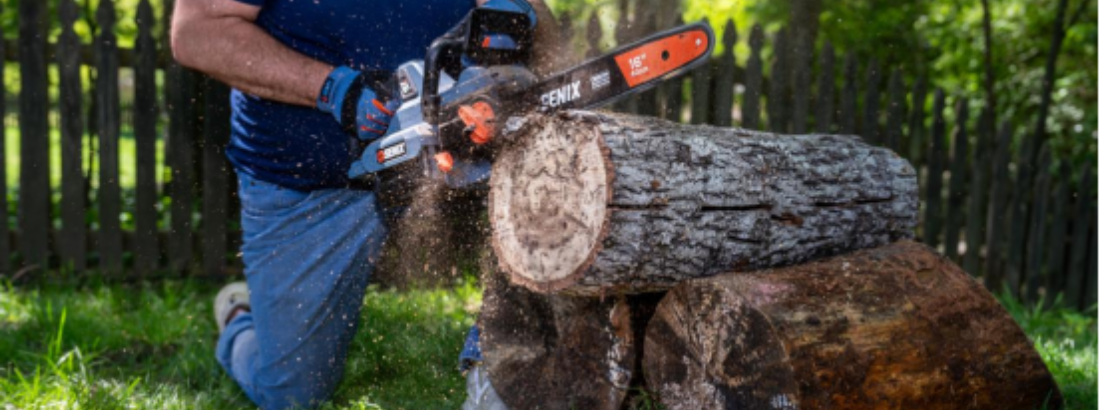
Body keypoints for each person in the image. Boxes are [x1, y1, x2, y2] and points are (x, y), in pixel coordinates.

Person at [170, 1, 564, 409]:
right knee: (291, 394)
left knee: (554, 211)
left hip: (462, 155)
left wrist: (513, 14)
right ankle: (239, 323)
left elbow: (542, 30)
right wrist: (332, 88)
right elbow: (195, 33)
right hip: (307, 183)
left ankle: (499, 372)